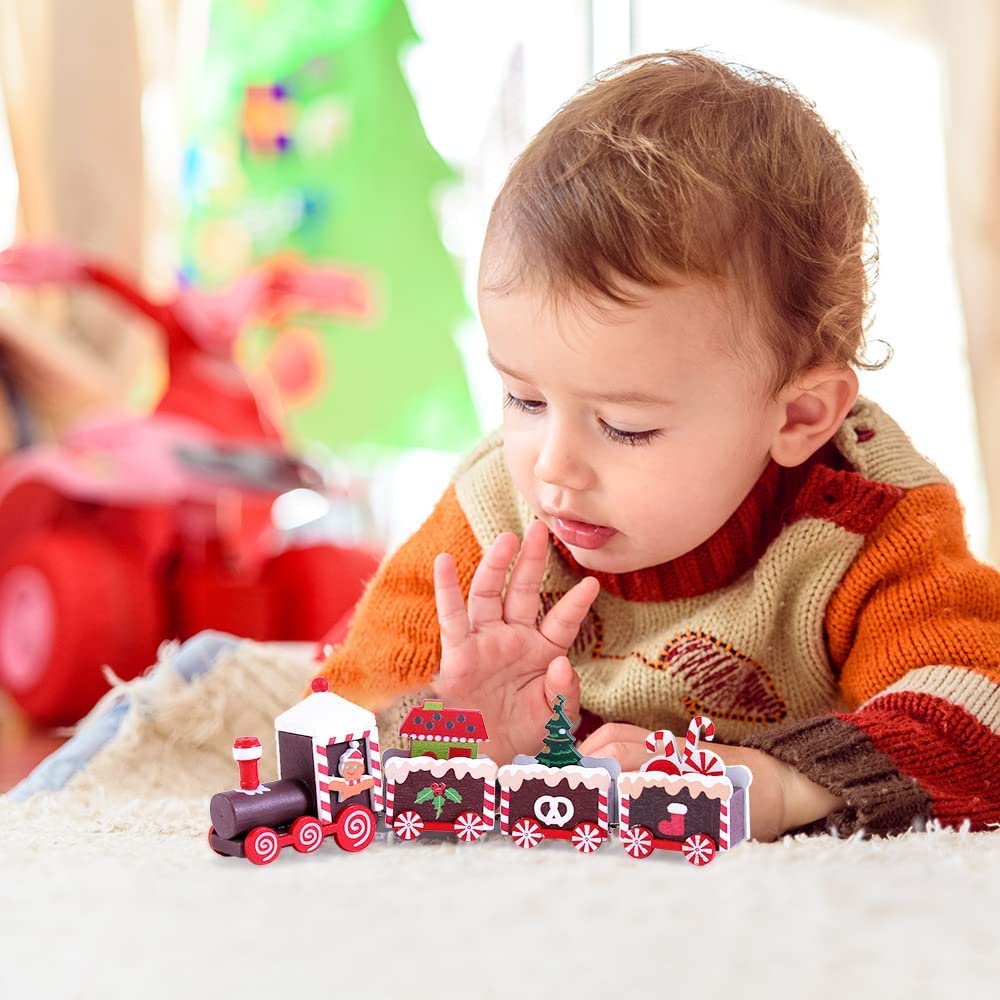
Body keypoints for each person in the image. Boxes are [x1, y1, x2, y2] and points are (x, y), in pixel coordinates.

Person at [315, 50, 1000, 841]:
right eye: (525, 399)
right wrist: (460, 734)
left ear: (798, 417)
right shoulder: (493, 512)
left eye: (625, 426)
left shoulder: (870, 523)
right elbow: (335, 725)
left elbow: (977, 709)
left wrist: (781, 786)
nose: (553, 467)